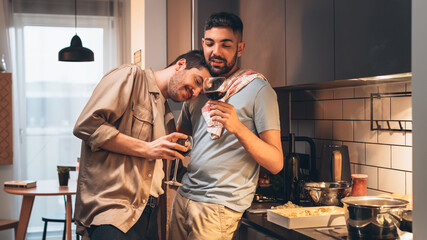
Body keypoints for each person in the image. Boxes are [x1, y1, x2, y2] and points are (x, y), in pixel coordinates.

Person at [72, 50, 211, 240]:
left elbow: (161, 172)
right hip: (114, 212)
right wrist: (147, 149)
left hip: (150, 216)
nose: (194, 93)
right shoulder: (131, 76)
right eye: (197, 81)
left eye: (200, 92)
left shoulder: (168, 116)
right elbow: (87, 125)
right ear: (180, 64)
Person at [169, 12, 283, 240]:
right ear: (203, 44)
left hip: (218, 208)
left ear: (240, 48)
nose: (216, 52)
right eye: (210, 43)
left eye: (226, 45)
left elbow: (276, 163)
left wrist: (238, 128)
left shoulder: (258, 90)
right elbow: (181, 139)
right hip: (183, 197)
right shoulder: (198, 87)